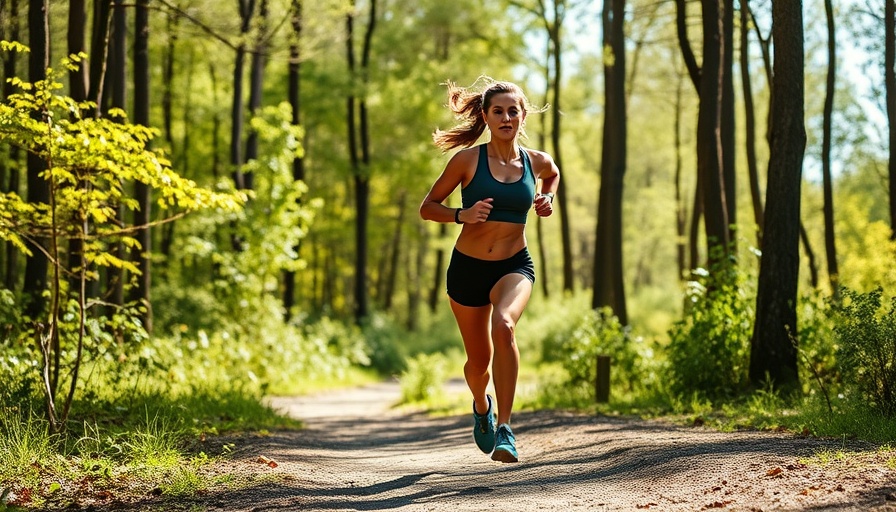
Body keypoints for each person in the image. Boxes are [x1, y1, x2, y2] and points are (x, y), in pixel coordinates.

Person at [419, 78, 560, 463]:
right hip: (468, 269)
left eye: (513, 110)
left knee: (505, 327)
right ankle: (482, 404)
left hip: (515, 266)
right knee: (477, 364)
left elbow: (553, 173)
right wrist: (461, 215)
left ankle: (506, 429)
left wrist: (546, 197)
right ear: (485, 116)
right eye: (497, 111)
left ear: (522, 115)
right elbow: (428, 206)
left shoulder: (535, 161)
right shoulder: (467, 161)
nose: (506, 117)